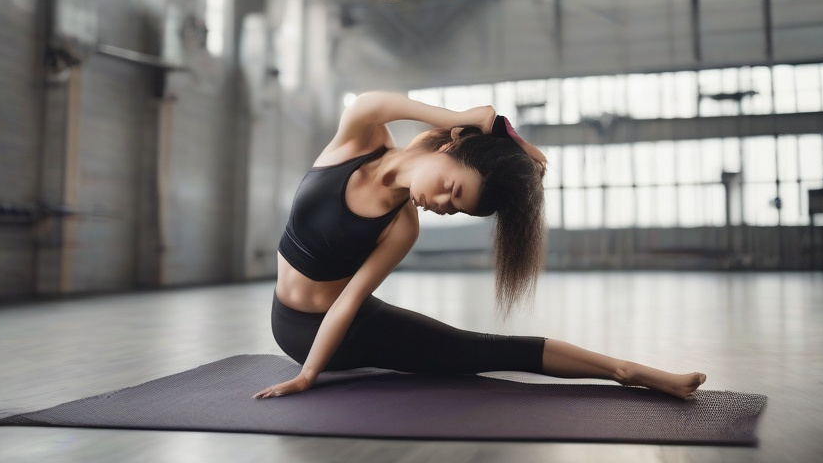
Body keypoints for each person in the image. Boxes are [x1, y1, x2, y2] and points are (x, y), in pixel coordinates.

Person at [255, 92, 705, 400]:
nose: (442, 205)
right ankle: (625, 371)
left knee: (480, 350)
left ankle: (627, 372)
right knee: (471, 350)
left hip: (332, 331)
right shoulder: (360, 136)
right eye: (452, 190)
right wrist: (462, 118)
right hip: (293, 327)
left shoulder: (401, 228)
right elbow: (380, 102)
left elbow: (349, 301)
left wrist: (309, 375)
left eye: (455, 209)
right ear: (450, 146)